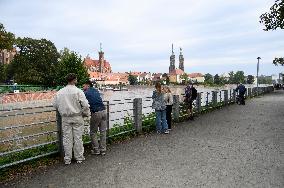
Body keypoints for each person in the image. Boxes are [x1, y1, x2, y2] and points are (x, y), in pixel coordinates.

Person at [53, 73, 90, 165]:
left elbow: (55, 105)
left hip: (65, 118)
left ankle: (67, 159)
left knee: (67, 138)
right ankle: (79, 157)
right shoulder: (78, 91)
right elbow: (85, 105)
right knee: (78, 138)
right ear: (75, 80)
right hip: (77, 116)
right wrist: (84, 113)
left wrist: (62, 110)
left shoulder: (60, 92)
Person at [83, 80, 107, 156]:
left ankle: (96, 150)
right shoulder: (96, 90)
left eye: (84, 86)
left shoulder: (85, 93)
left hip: (96, 113)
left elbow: (82, 103)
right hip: (104, 111)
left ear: (88, 86)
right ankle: (103, 150)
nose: (83, 88)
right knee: (103, 131)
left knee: (93, 132)